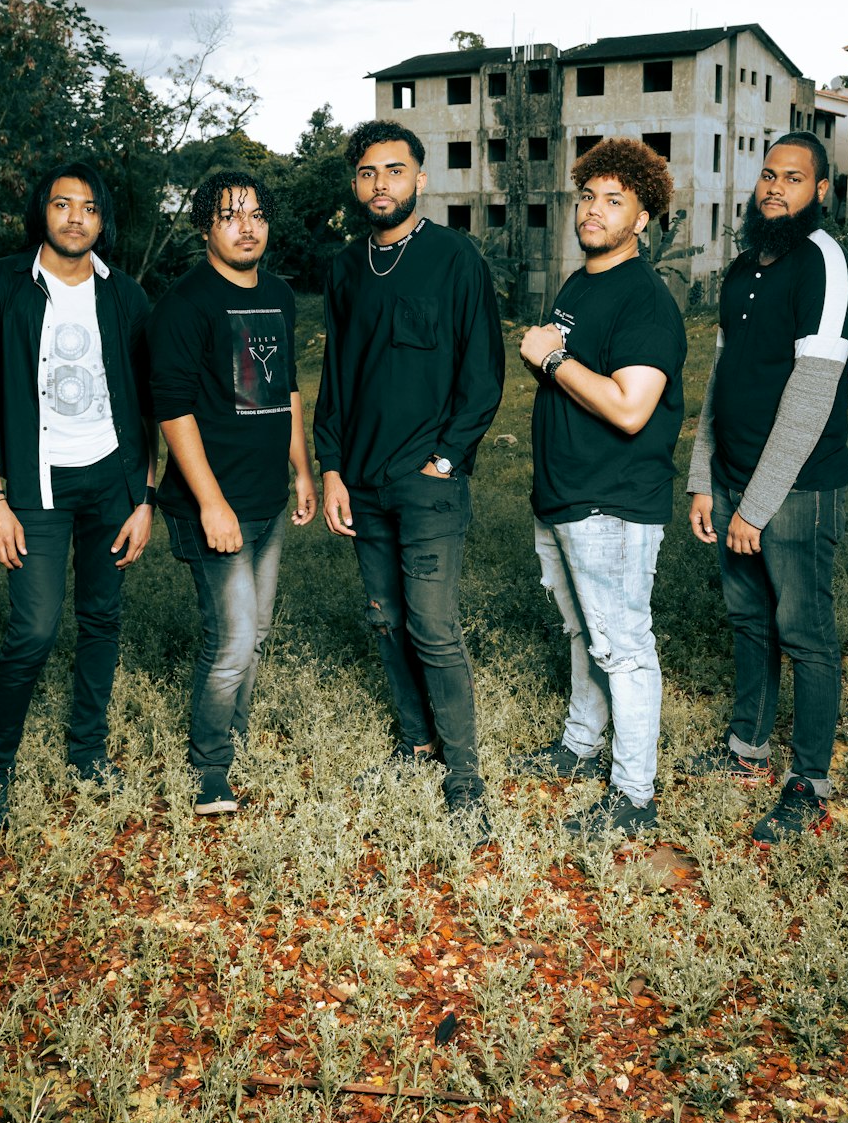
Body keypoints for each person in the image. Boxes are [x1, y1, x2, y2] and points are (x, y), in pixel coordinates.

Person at [313, 120, 504, 842]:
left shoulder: (457, 260)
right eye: (367, 172)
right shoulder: (344, 267)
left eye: (395, 170)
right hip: (361, 481)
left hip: (428, 481)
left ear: (421, 179)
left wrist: (447, 458)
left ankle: (464, 774)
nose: (380, 183)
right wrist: (330, 467)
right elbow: (335, 378)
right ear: (356, 184)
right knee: (386, 620)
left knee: (431, 625)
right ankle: (415, 744)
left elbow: (482, 372)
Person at [0, 162, 157, 831]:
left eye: (91, 207)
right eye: (63, 204)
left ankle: (88, 754)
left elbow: (152, 404)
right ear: (41, 212)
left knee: (102, 620)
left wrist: (145, 496)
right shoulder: (0, 288)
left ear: (104, 220)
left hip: (111, 481)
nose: (77, 218)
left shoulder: (126, 296)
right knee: (35, 627)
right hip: (37, 485)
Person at [687, 131, 848, 846]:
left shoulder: (825, 262)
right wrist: (705, 479)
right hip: (731, 478)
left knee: (805, 633)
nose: (775, 188)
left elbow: (813, 394)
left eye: (793, 178)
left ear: (820, 191)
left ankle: (809, 786)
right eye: (767, 175)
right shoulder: (744, 266)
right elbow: (721, 383)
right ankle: (746, 752)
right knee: (750, 621)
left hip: (794, 489)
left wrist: (756, 506)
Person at [517, 138, 686, 839]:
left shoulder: (646, 300)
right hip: (563, 494)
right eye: (587, 195)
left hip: (612, 502)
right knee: (584, 633)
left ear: (643, 218)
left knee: (623, 645)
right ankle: (581, 746)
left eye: (615, 200)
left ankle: (634, 796)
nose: (594, 209)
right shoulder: (579, 284)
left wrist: (551, 356)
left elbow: (628, 406)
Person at [149, 172, 317, 816]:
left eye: (255, 214)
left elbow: (285, 390)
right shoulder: (185, 304)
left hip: (268, 497)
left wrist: (301, 469)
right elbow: (172, 410)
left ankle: (235, 738)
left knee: (257, 631)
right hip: (211, 506)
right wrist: (212, 503)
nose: (245, 226)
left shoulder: (277, 293)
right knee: (231, 639)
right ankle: (209, 771)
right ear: (205, 227)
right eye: (228, 215)